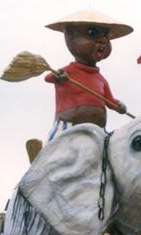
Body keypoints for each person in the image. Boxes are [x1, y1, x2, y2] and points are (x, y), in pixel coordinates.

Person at [44, 9, 131, 139]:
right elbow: (49, 77)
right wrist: (59, 76)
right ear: (70, 36)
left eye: (106, 35)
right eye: (92, 33)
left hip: (98, 131)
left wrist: (119, 106)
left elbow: (110, 100)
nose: (103, 40)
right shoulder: (68, 72)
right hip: (68, 128)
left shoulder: (100, 79)